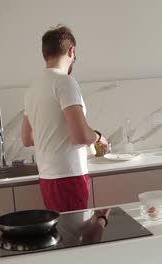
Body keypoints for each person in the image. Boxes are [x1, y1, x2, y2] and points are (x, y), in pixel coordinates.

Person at [21, 25, 108, 213]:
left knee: (62, 236)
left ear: (44, 55)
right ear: (72, 51)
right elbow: (81, 137)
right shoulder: (64, 82)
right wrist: (99, 137)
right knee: (76, 236)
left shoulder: (32, 89)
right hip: (69, 176)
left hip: (47, 178)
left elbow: (27, 139)